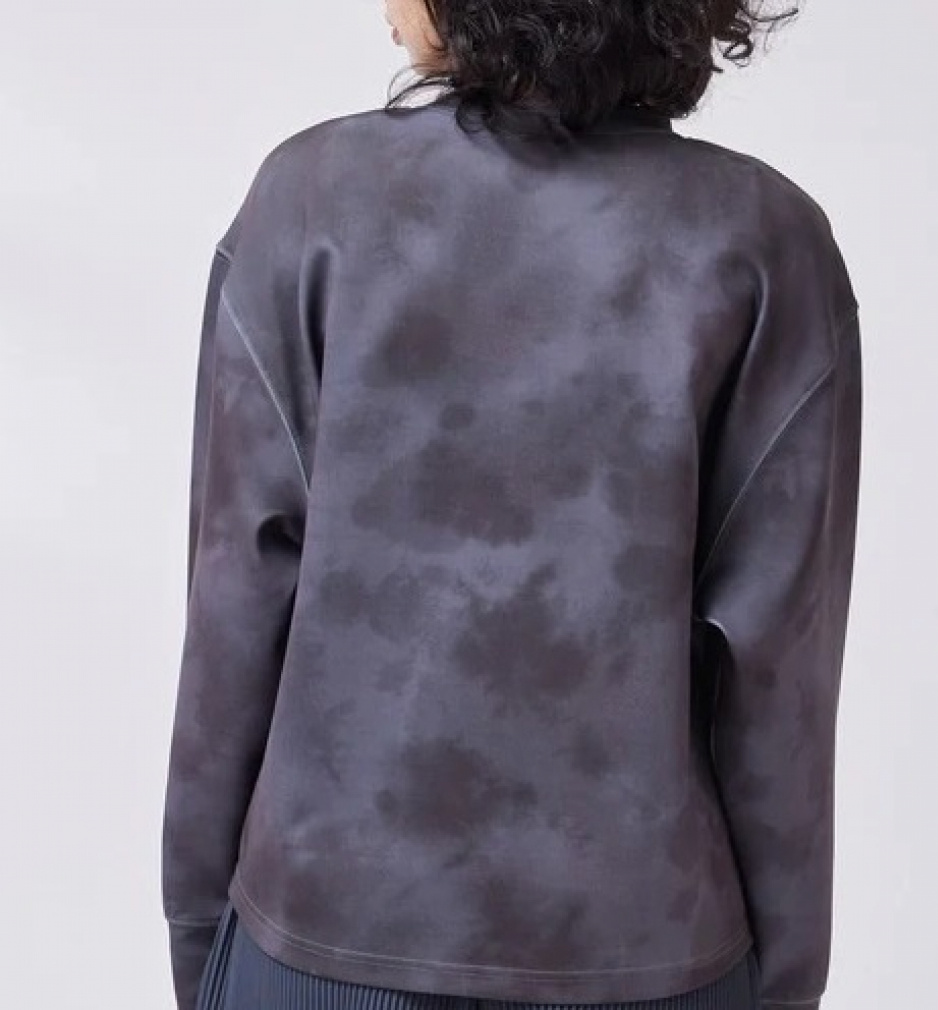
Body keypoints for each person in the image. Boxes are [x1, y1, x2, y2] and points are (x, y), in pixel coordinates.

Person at [160, 2, 863, 1010]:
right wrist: (783, 982)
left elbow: (234, 608)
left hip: (324, 938)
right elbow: (777, 680)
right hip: (647, 950)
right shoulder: (761, 243)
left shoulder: (312, 200)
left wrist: (201, 937)